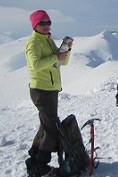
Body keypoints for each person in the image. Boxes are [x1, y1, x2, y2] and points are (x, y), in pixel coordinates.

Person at [24, 10, 72, 177]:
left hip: (50, 89)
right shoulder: (33, 43)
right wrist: (56, 56)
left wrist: (66, 52)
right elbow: (35, 64)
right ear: (35, 25)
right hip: (41, 90)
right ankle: (41, 166)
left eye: (48, 22)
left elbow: (60, 63)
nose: (46, 26)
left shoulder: (48, 41)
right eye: (42, 23)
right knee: (51, 128)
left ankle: (33, 161)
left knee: (46, 125)